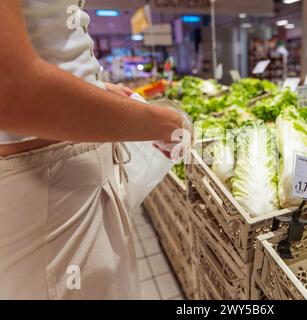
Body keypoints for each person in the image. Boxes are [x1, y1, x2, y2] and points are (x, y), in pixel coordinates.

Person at [0, 1, 192, 299]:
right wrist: (159, 123)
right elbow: (11, 89)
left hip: (62, 188)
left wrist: (97, 88)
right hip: (48, 196)